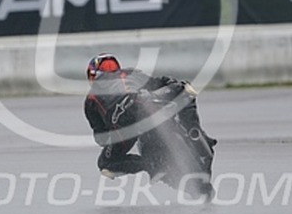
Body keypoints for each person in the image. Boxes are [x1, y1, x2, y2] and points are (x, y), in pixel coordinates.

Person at [83, 53, 216, 179]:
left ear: (92, 75)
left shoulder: (90, 99)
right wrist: (174, 86)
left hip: (126, 125)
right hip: (147, 101)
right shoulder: (129, 73)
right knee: (185, 89)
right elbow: (158, 82)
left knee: (105, 164)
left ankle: (149, 165)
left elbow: (101, 138)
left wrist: (115, 136)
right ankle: (195, 131)